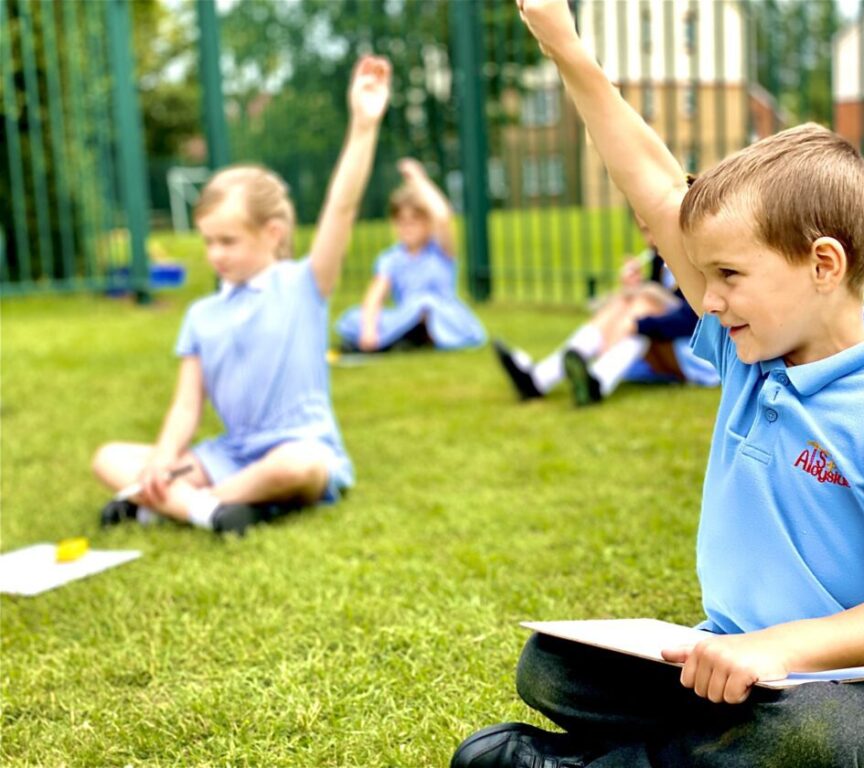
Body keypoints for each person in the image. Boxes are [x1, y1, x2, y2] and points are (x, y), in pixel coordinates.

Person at [450, 3, 864, 767]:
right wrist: (561, 44)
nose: (708, 298)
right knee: (549, 664)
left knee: (808, 742)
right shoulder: (749, 357)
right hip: (720, 670)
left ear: (823, 265)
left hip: (853, 690)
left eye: (729, 275)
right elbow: (653, 188)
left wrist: (777, 652)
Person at [91, 55, 393, 535]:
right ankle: (211, 509)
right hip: (227, 455)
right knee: (110, 458)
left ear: (273, 233)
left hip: (298, 447)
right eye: (208, 241)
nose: (215, 254)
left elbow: (342, 207)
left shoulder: (304, 284)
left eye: (227, 241)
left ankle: (185, 505)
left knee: (298, 467)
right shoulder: (201, 314)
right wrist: (162, 463)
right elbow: (187, 406)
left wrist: (362, 125)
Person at [493, 217, 718, 407]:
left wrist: (638, 323)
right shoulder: (660, 257)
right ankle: (551, 378)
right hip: (669, 346)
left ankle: (584, 378)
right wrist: (633, 289)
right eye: (644, 230)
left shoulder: (694, 259)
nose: (650, 239)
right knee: (625, 302)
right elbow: (662, 301)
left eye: (654, 227)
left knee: (642, 306)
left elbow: (694, 320)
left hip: (697, 354)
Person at [334, 158, 486, 353]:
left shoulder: (440, 251)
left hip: (441, 316)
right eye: (401, 221)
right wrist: (369, 330)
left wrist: (419, 180)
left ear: (428, 223)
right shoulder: (391, 259)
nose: (407, 228)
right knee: (356, 318)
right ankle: (403, 337)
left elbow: (442, 215)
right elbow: (375, 296)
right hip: (406, 316)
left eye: (415, 221)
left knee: (424, 303)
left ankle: (414, 337)